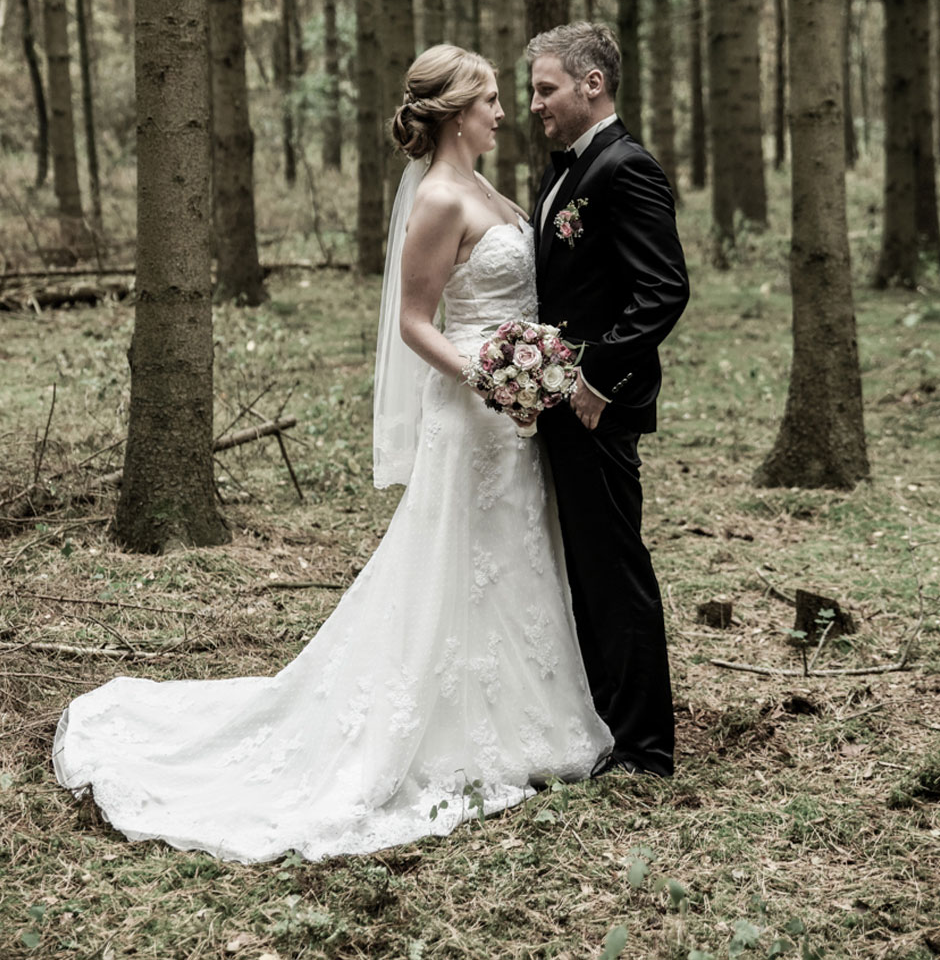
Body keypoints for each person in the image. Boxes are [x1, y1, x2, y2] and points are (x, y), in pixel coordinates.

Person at [51, 44, 612, 864]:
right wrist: (487, 375)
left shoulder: (490, 187)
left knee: (513, 556)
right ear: (458, 111)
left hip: (514, 417)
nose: (504, 112)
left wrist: (528, 371)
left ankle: (529, 717)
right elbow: (416, 322)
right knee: (455, 561)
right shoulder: (438, 199)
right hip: (474, 407)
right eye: (491, 99)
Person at [527, 22, 689, 778]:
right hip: (557, 403)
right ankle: (602, 719)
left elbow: (663, 290)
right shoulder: (563, 172)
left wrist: (596, 379)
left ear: (593, 85)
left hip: (597, 405)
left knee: (615, 568)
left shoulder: (627, 169)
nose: (535, 105)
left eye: (546, 88)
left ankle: (646, 746)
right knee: (586, 569)